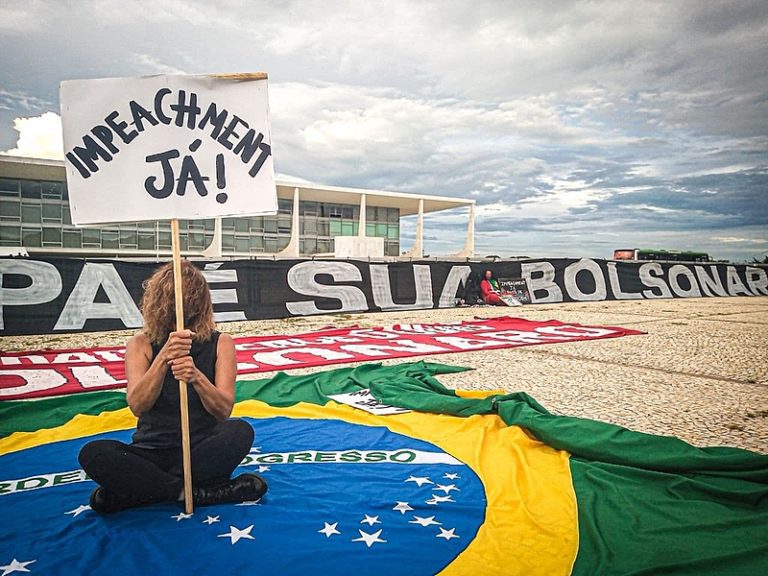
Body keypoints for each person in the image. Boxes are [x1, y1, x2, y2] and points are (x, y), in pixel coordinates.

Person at [78, 261, 266, 514]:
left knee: (239, 431)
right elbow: (138, 405)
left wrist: (196, 377)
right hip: (150, 451)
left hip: (200, 449)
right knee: (94, 453)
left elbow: (223, 410)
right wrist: (163, 358)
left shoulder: (221, 343)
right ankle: (197, 493)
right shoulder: (140, 344)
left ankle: (143, 491)